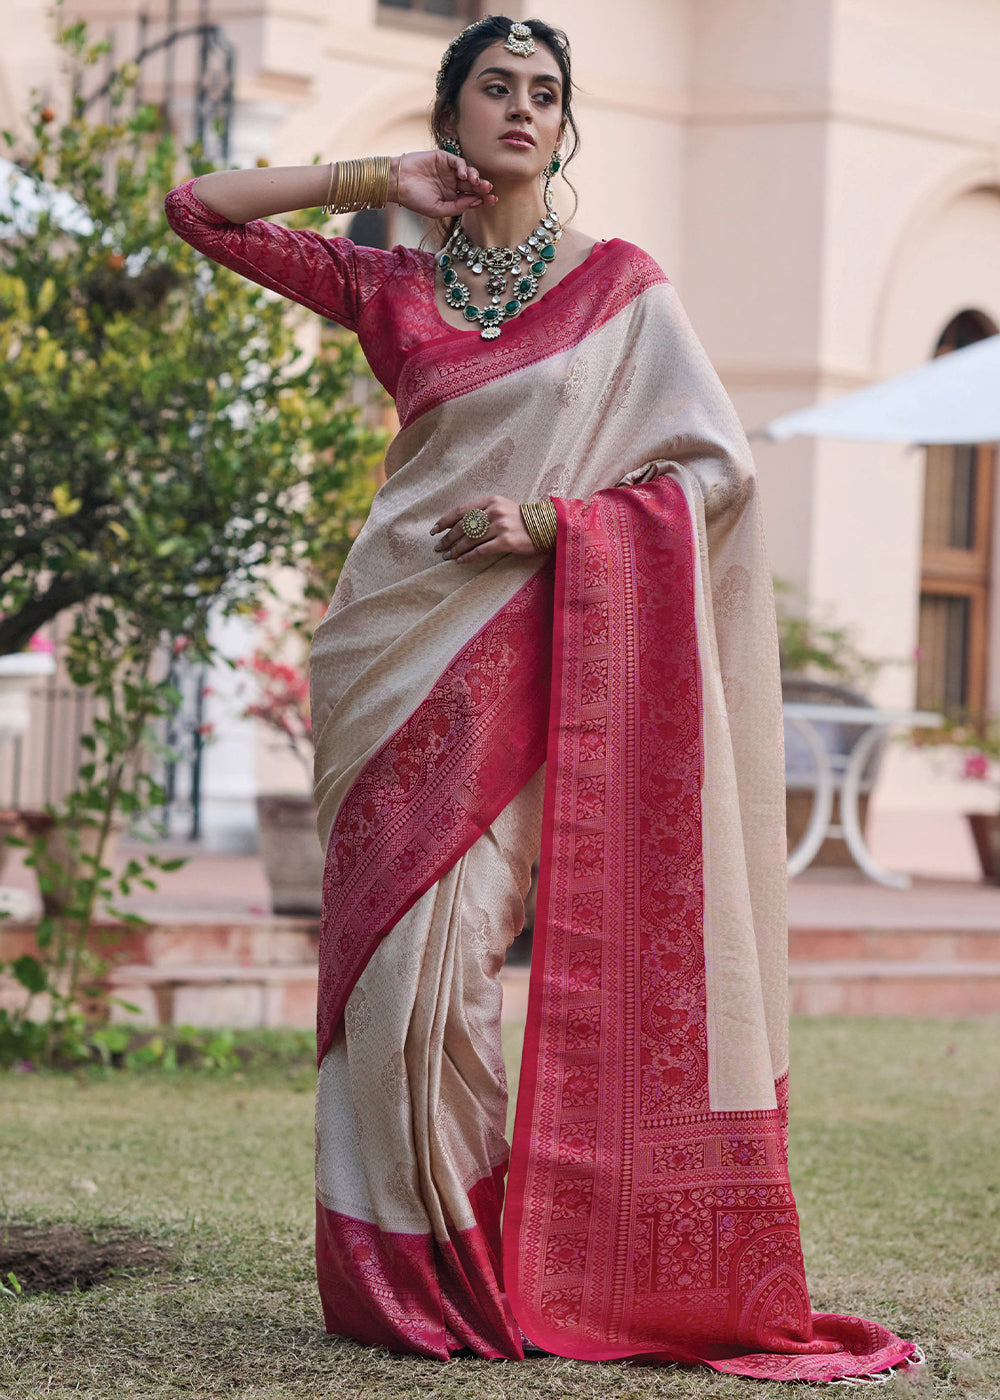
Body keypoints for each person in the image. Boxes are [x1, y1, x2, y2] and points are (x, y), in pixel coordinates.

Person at [165, 14, 920, 1382]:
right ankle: (410, 1271)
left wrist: (559, 525)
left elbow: (712, 475)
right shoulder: (389, 283)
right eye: (495, 89)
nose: (522, 109)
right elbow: (197, 209)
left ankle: (497, 1264)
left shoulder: (623, 286)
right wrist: (369, 179)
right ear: (452, 114)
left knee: (449, 972)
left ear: (565, 129)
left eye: (545, 94)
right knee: (387, 982)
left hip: (526, 655)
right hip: (387, 656)